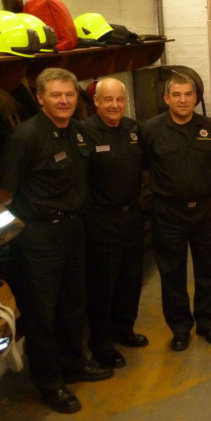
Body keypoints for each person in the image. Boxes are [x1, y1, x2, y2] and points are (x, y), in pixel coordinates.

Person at [0, 68, 113, 414]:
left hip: (73, 232)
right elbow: (4, 193)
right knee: (41, 314)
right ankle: (49, 382)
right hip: (37, 239)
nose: (64, 100)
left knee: (72, 304)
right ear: (40, 98)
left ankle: (73, 363)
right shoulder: (25, 137)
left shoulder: (77, 133)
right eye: (56, 95)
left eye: (69, 94)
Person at [141, 72, 211, 351]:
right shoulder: (151, 130)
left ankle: (208, 323)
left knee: (209, 270)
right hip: (168, 213)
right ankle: (179, 328)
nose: (182, 100)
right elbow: (142, 169)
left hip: (206, 211)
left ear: (196, 97)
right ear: (166, 99)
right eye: (176, 94)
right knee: (172, 274)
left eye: (188, 94)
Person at [80, 78, 148, 370]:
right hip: (101, 220)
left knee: (130, 280)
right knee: (103, 286)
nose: (114, 105)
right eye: (108, 100)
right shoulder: (83, 133)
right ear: (96, 102)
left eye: (119, 99)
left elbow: (144, 169)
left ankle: (125, 329)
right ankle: (102, 345)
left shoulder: (133, 129)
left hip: (132, 216)